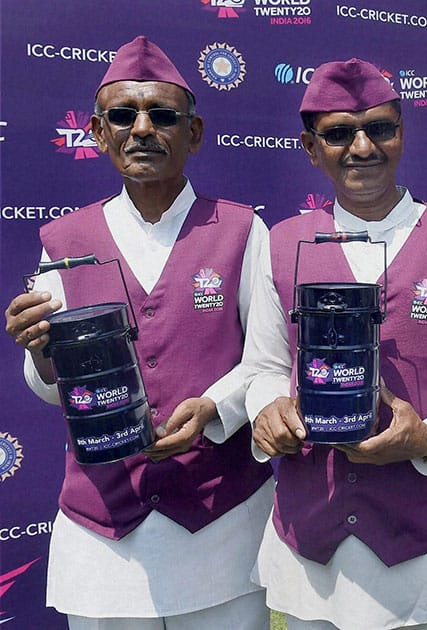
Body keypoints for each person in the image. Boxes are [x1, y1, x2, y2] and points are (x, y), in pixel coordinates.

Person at [243, 58, 427, 629]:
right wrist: (267, 409)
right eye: (340, 133)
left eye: (380, 128)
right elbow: (266, 366)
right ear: (310, 147)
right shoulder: (280, 245)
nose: (362, 146)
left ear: (401, 134)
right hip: (314, 542)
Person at [3, 36, 274, 629]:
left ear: (194, 133)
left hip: (220, 522)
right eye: (123, 116)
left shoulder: (241, 231)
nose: (143, 129)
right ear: (98, 134)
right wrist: (41, 354)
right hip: (103, 531)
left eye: (163, 116)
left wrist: (213, 408)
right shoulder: (64, 242)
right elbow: (49, 380)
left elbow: (267, 360)